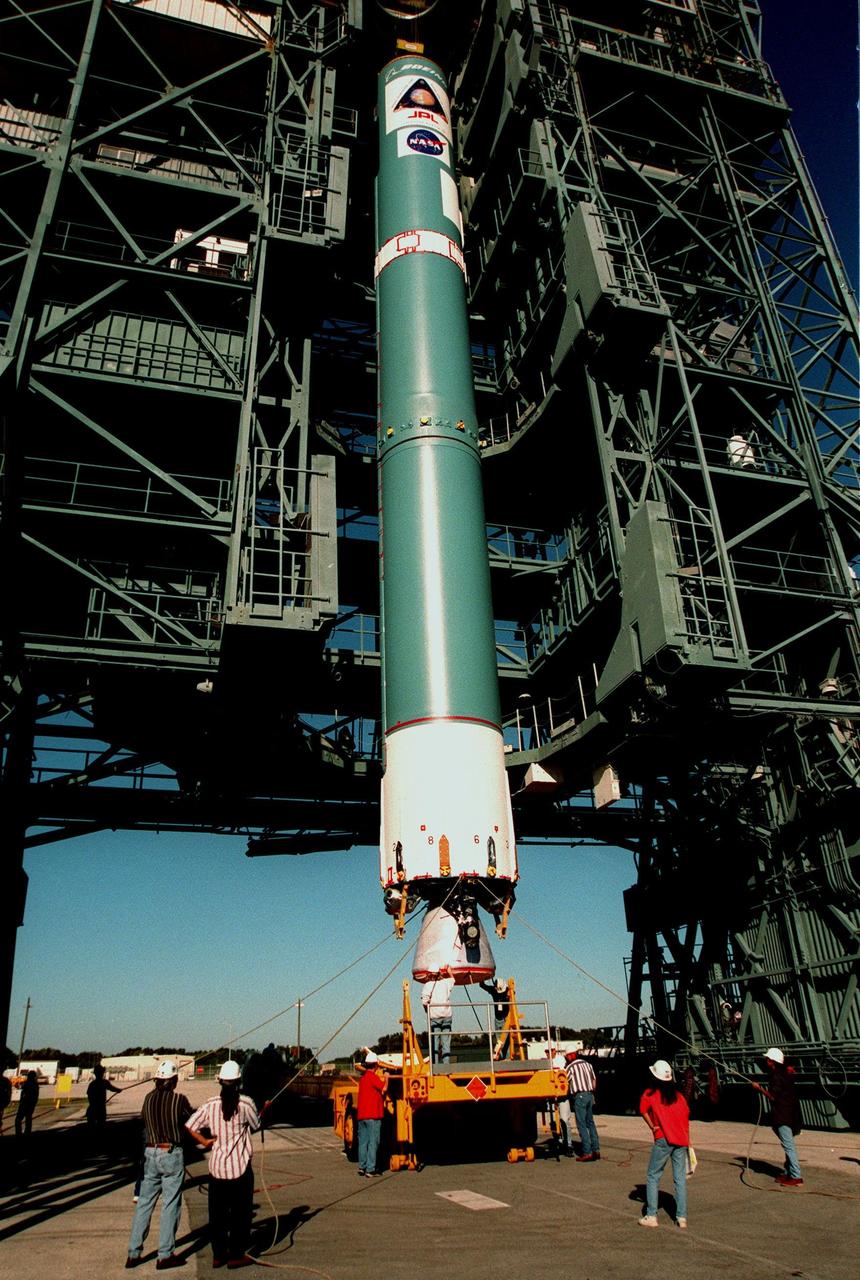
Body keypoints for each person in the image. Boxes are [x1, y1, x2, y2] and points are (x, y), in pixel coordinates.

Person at [185, 1061, 263, 1269]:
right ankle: (237, 1254)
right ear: (239, 1081)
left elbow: (190, 1125)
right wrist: (264, 1110)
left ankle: (218, 1254)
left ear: (219, 1080)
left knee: (217, 1216)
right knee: (241, 1214)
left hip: (217, 1169)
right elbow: (256, 1125)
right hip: (240, 1168)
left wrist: (205, 1142)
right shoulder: (246, 1104)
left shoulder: (210, 1104)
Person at [125, 1060, 193, 1270]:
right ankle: (165, 1255)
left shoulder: (148, 1099)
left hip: (150, 1153)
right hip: (170, 1152)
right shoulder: (179, 1100)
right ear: (173, 1080)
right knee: (170, 1203)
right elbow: (191, 1121)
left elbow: (145, 1120)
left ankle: (133, 1253)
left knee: (145, 1203)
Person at [638, 1059, 690, 1229]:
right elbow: (686, 1115)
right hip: (681, 1140)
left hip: (663, 1139)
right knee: (680, 1179)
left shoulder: (650, 1093)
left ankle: (652, 1215)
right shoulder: (679, 1096)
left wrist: (653, 1126)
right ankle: (681, 1217)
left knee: (653, 1176)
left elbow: (642, 1109)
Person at [752, 1047, 803, 1186]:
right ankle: (789, 1172)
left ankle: (796, 1176)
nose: (766, 1061)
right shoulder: (787, 1073)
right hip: (792, 1115)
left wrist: (759, 1088)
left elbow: (773, 1096)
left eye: (768, 1059)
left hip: (782, 1115)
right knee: (788, 1144)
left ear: (772, 1061)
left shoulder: (776, 1076)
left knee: (788, 1146)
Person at [356, 1051, 387, 1177]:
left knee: (363, 1142)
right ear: (375, 1065)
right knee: (373, 1142)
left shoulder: (363, 1079)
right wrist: (387, 1077)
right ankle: (370, 1169)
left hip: (362, 1116)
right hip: (373, 1116)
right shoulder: (373, 1077)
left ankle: (362, 1167)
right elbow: (384, 1088)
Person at [565, 1051, 600, 1161]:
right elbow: (594, 1080)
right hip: (590, 1094)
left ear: (571, 1055)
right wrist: (591, 1093)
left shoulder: (570, 1067)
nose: (566, 1058)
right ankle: (596, 1150)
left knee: (582, 1124)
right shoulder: (588, 1064)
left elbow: (565, 1081)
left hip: (579, 1096)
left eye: (567, 1056)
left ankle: (587, 1152)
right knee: (591, 1123)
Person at [421, 972, 454, 1065]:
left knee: (435, 1042)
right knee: (446, 1042)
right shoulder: (446, 982)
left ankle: (435, 1065)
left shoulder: (428, 985)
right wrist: (449, 971)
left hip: (435, 1016)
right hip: (447, 1015)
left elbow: (424, 1002)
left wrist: (427, 1011)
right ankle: (446, 1065)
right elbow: (453, 980)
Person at [552, 1052, 573, 1155]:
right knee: (555, 1122)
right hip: (552, 1095)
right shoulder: (547, 1062)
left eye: (550, 1050)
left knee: (564, 1120)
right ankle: (559, 1140)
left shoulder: (560, 1060)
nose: (548, 1053)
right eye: (546, 1051)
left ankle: (568, 1144)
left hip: (563, 1096)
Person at [15, 1070, 39, 1139]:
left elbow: (21, 1087)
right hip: (31, 1104)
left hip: (24, 1104)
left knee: (18, 1120)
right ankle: (27, 1132)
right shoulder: (35, 1084)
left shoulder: (28, 1083)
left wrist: (18, 1085)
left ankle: (18, 1133)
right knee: (28, 1119)